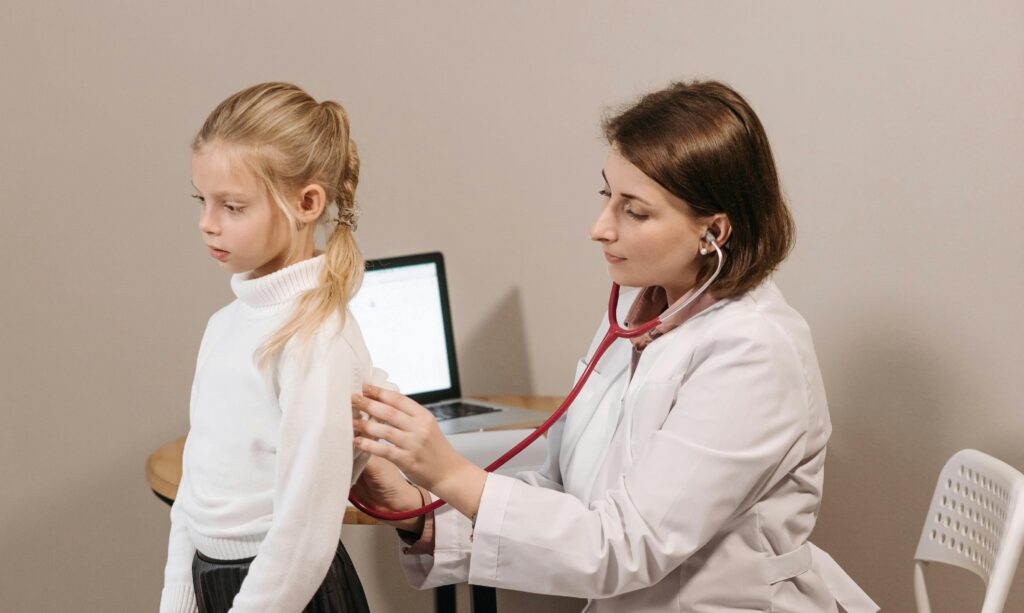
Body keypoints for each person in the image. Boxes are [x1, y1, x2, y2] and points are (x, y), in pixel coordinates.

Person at [349, 80, 879, 612]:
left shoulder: (754, 351)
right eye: (606, 195)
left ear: (712, 232)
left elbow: (623, 547)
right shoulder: (635, 315)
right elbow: (571, 499)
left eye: (635, 210)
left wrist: (449, 472)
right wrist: (419, 512)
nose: (599, 228)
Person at [160, 82, 390, 613]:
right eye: (202, 200)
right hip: (216, 584)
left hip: (288, 595)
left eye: (232, 206)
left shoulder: (315, 338)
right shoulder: (224, 326)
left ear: (307, 203)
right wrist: (177, 601)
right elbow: (193, 492)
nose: (207, 222)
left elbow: (305, 530)